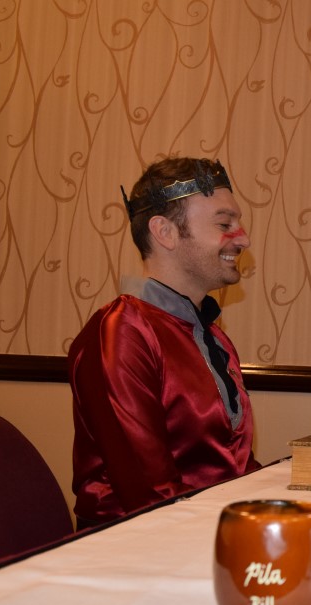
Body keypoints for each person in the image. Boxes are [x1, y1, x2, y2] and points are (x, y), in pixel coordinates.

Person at [68, 157, 260, 527]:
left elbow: (236, 467)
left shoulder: (212, 336)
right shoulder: (122, 332)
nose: (243, 238)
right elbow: (150, 495)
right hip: (134, 548)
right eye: (225, 224)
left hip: (207, 535)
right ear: (165, 232)